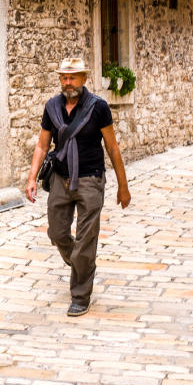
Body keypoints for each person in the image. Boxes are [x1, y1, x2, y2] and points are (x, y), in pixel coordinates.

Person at [26, 57, 131, 317]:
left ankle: (81, 295)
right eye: (63, 77)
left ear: (84, 79)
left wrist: (123, 186)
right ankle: (81, 265)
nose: (67, 82)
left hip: (90, 179)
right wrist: (31, 178)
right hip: (60, 179)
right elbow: (42, 145)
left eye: (72, 77)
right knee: (57, 232)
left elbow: (112, 147)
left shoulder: (99, 108)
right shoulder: (52, 107)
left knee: (86, 239)